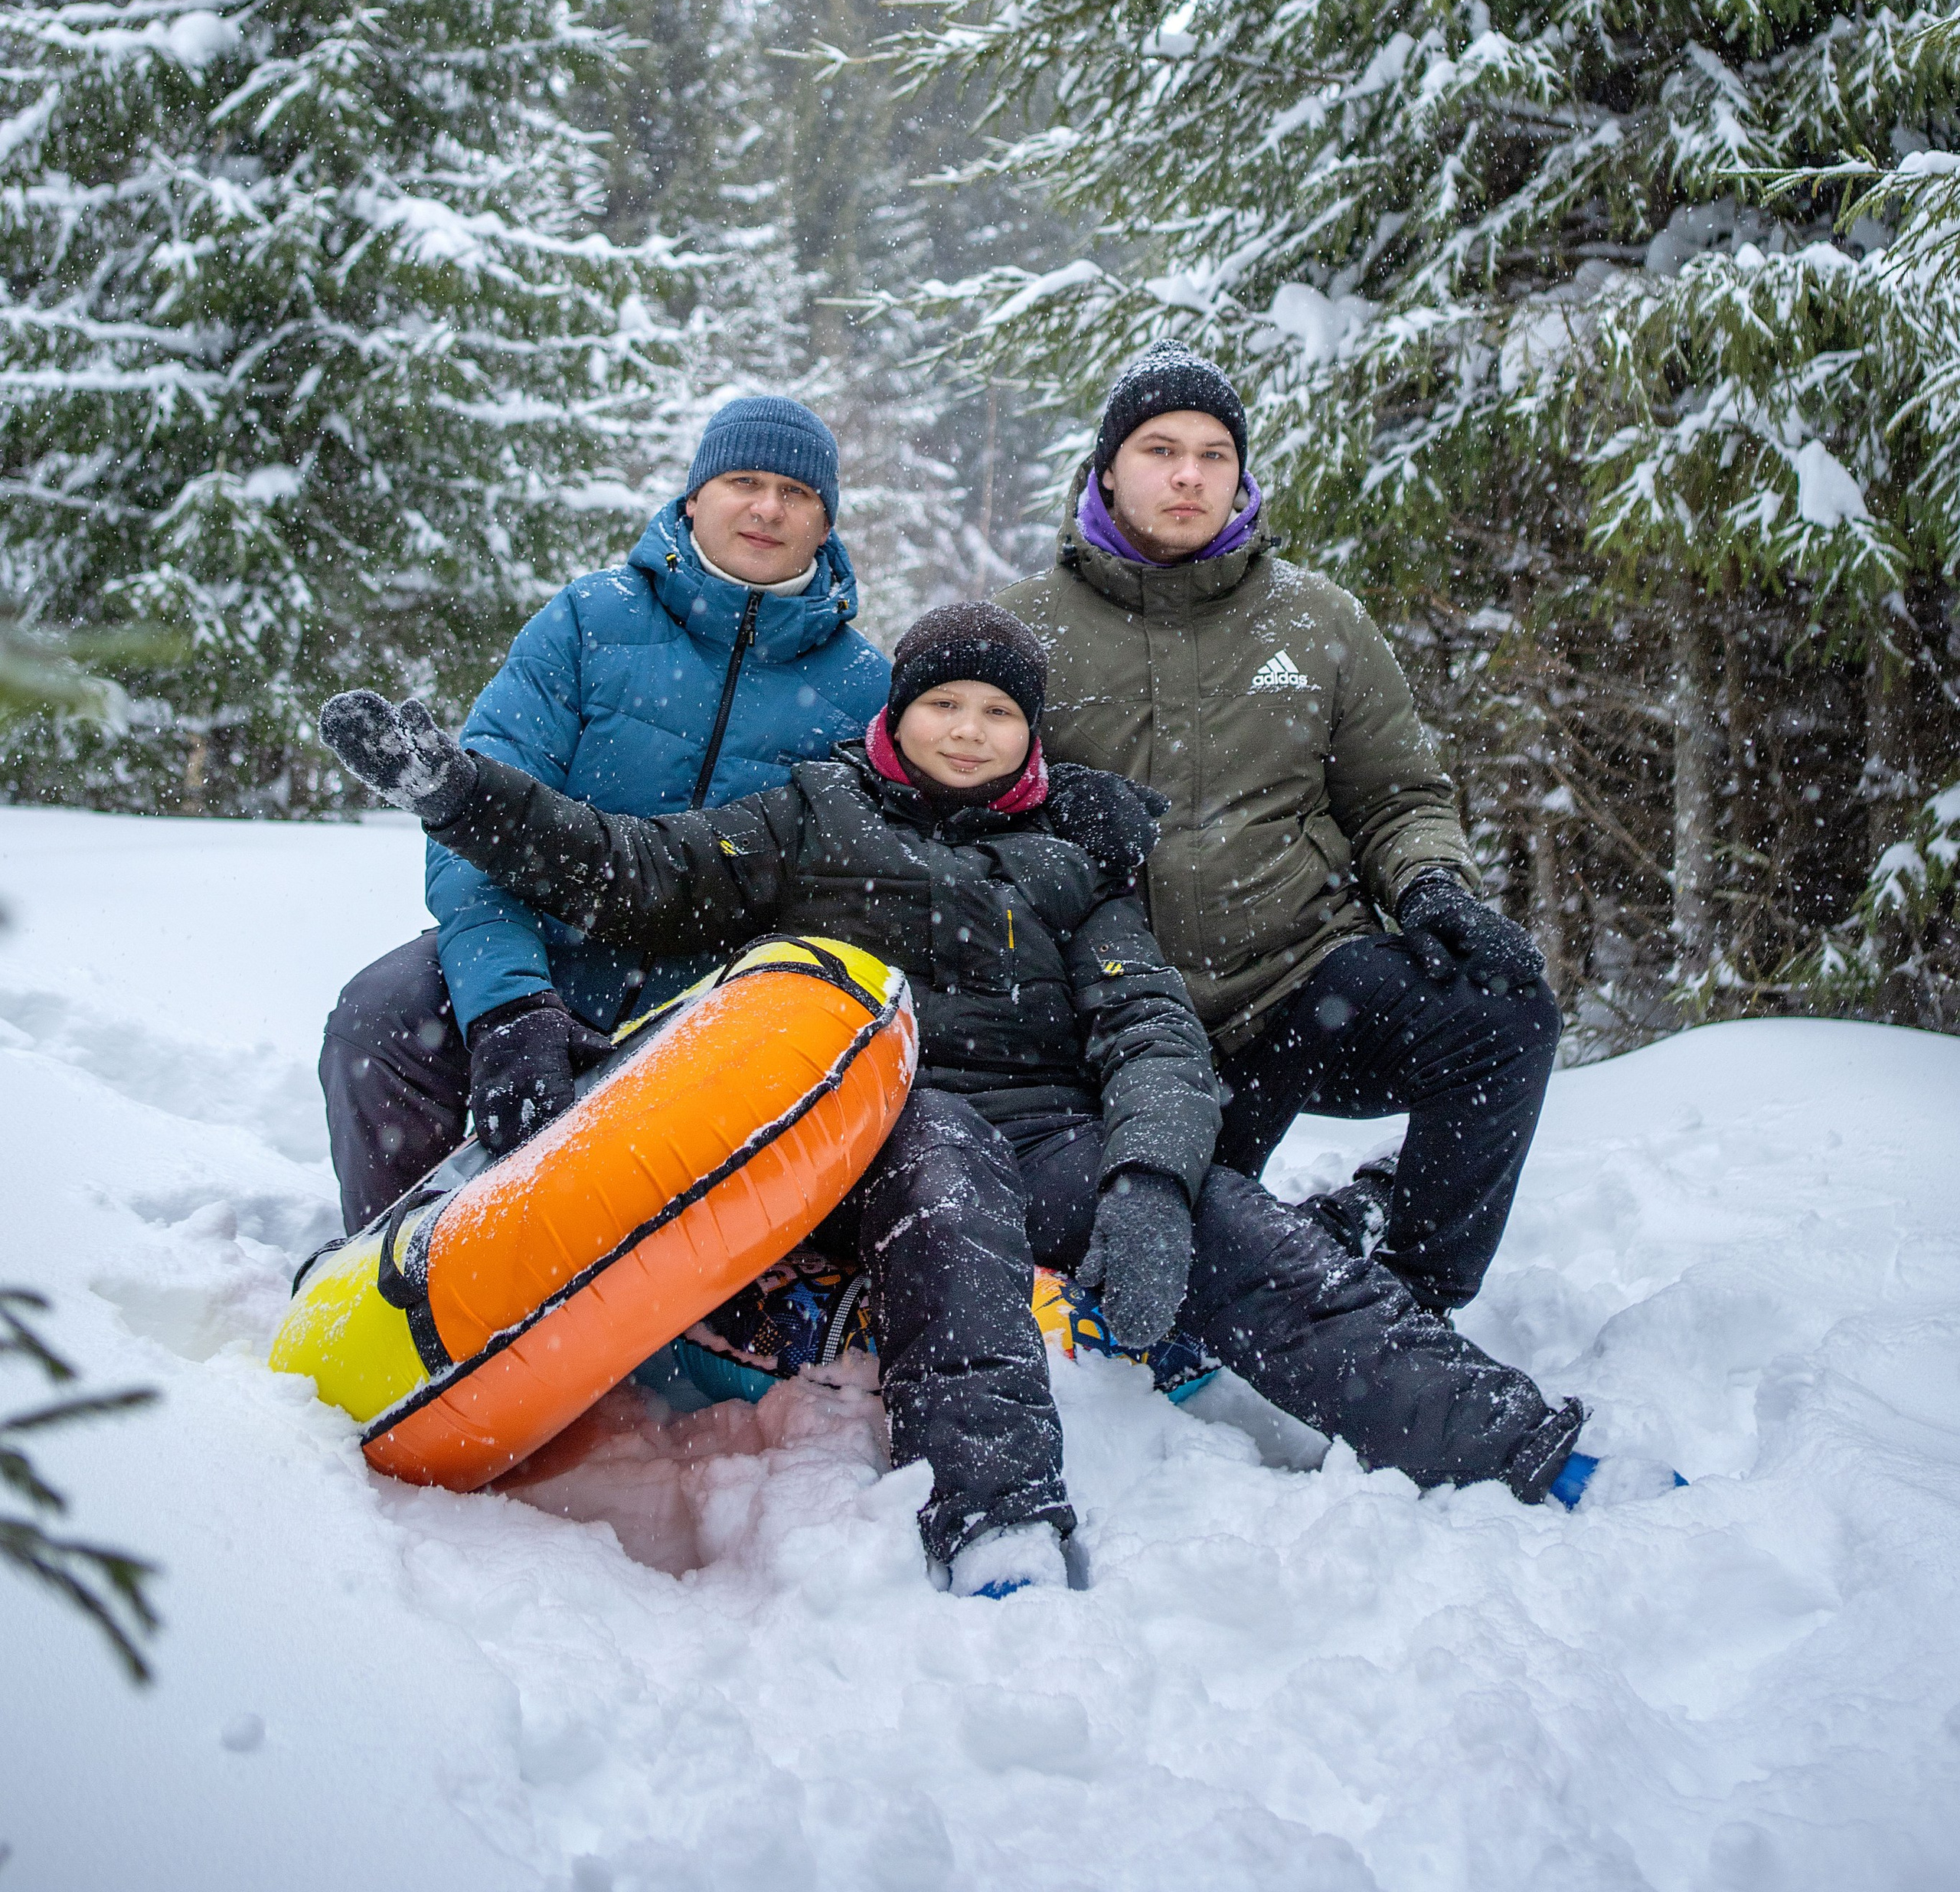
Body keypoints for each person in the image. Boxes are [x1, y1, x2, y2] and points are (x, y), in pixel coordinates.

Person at [319, 602, 1590, 1600]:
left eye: (998, 711)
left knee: (1252, 1236)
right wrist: (460, 792)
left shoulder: (1071, 864)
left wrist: (1150, 1183)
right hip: (867, 1109)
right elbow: (633, 871)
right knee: (950, 1202)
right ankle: (998, 1517)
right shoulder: (811, 814)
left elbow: (1153, 1033)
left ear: (1030, 735)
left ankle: (1516, 1444)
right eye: (945, 703)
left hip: (1046, 1119)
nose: (970, 730)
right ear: (901, 714)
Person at [997, 344, 1561, 1319]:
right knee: (1168, 1257)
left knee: (1504, 1019)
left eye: (1214, 454)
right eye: (1159, 449)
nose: (1188, 475)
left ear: (1240, 473)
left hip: (1298, 987)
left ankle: (1409, 1296)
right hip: (1125, 1028)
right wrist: (1043, 815)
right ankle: (1292, 1221)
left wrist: (1431, 885)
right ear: (1105, 470)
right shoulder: (1020, 631)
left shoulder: (1318, 620)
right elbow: (944, 811)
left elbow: (1398, 796)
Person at [318, 395, 890, 1228]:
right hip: (547, 957)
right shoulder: (589, 621)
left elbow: (846, 889)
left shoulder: (864, 688)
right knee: (384, 1018)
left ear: (825, 521)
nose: (767, 508)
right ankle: (397, 1267)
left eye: (796, 493)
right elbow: (476, 828)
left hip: (713, 1010)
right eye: (743, 480)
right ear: (695, 496)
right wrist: (511, 1006)